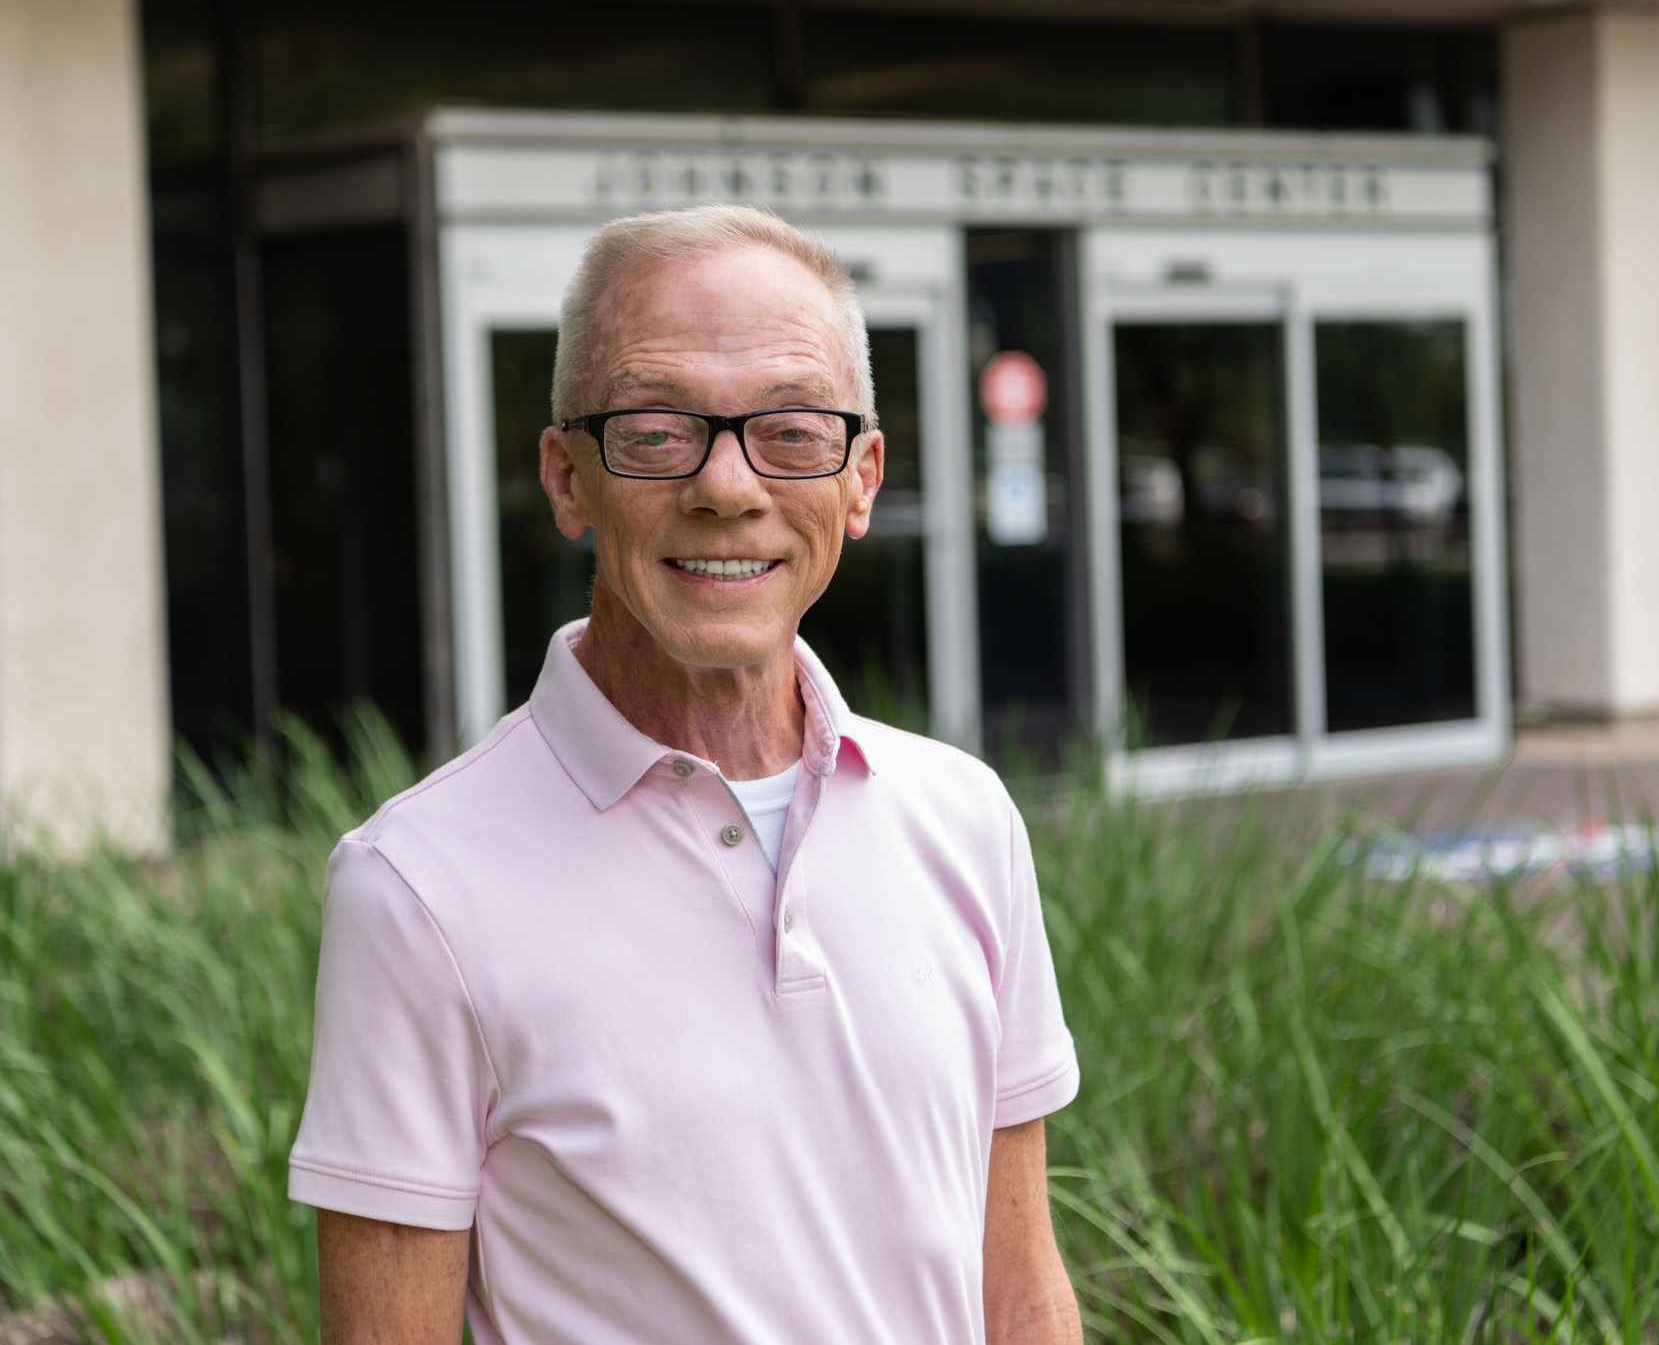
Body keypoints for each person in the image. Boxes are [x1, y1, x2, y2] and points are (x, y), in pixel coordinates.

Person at [289, 205, 1084, 1344]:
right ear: (568, 479)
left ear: (860, 480)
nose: (725, 486)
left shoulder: (965, 819)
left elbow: (1020, 1295)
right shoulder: (414, 889)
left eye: (792, 431)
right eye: (657, 431)